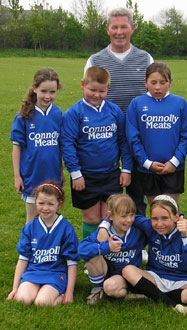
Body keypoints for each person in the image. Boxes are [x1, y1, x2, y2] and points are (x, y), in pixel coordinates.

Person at [85, 7, 153, 217]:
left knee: (136, 199)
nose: (119, 32)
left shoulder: (145, 59)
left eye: (124, 26)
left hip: (138, 139)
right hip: (105, 138)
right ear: (107, 29)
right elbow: (88, 97)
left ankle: (137, 248)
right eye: (114, 27)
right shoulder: (95, 60)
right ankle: (109, 245)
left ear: (132, 28)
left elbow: (155, 96)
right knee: (109, 201)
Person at [100, 195, 187, 316]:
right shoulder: (149, 226)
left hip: (182, 280)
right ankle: (170, 302)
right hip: (155, 277)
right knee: (128, 270)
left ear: (176, 217)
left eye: (165, 218)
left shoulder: (184, 232)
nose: (159, 223)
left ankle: (149, 295)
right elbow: (122, 215)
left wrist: (185, 235)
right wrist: (105, 225)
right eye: (154, 218)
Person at [61, 66, 132, 241]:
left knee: (109, 216)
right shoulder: (74, 113)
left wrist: (126, 169)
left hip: (111, 174)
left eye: (102, 91)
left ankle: (109, 253)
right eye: (92, 90)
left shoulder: (114, 111)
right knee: (92, 217)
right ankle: (91, 256)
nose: (96, 95)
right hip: (85, 176)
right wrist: (75, 174)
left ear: (108, 88)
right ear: (82, 85)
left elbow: (124, 141)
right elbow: (67, 144)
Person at [126, 62, 187, 205]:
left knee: (171, 211)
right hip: (148, 169)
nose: (158, 87)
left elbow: (186, 136)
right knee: (156, 210)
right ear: (145, 82)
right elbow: (133, 138)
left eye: (163, 82)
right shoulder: (136, 104)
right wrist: (147, 163)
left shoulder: (180, 103)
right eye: (153, 82)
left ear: (171, 82)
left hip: (174, 168)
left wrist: (174, 161)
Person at [7, 181, 79, 306]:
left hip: (55, 274)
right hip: (34, 272)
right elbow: (23, 259)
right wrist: (15, 288)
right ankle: (35, 290)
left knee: (42, 302)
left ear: (59, 204)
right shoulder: (29, 228)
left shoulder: (66, 228)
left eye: (50, 204)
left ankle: (58, 296)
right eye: (41, 203)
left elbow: (72, 262)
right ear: (35, 202)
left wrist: (69, 293)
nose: (45, 208)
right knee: (22, 299)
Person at [10, 67, 63, 223]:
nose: (48, 96)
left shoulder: (58, 113)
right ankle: (30, 248)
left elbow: (59, 147)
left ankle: (49, 248)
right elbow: (17, 147)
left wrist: (60, 170)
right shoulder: (24, 116)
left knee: (51, 218)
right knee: (32, 219)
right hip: (32, 176)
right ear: (34, 88)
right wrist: (17, 176)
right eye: (43, 91)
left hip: (52, 176)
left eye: (52, 92)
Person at [78, 194, 147, 304]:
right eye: (123, 216)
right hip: (106, 271)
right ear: (110, 216)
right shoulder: (104, 233)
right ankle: (98, 289)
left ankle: (131, 291)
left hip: (128, 274)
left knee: (110, 287)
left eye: (132, 215)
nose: (129, 220)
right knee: (92, 256)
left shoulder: (138, 230)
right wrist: (105, 247)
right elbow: (82, 249)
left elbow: (156, 226)